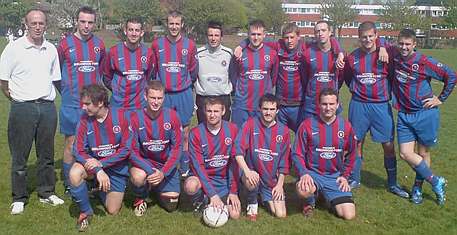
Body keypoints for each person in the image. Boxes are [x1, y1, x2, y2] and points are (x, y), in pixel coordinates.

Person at [0, 8, 64, 215]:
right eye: (33, 23)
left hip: (47, 107)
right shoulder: (13, 48)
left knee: (46, 154)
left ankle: (46, 193)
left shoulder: (51, 49)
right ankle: (19, 197)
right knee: (20, 156)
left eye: (41, 23)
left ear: (46, 25)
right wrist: (19, 100)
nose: (38, 26)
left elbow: (55, 79)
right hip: (23, 107)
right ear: (26, 25)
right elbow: (3, 81)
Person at [234, 22, 345, 132]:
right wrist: (240, 46)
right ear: (282, 39)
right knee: (279, 135)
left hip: (299, 103)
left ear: (299, 37)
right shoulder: (278, 45)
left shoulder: (305, 46)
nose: (290, 41)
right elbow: (256, 38)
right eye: (286, 37)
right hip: (281, 103)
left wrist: (340, 52)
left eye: (292, 37)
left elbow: (328, 40)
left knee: (303, 134)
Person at [343, 21, 408, 198]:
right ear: (359, 38)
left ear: (376, 35)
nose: (368, 39)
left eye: (371, 36)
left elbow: (395, 68)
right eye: (364, 37)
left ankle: (393, 183)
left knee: (388, 144)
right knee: (356, 143)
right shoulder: (353, 57)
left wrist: (383, 47)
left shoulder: (385, 54)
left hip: (380, 106)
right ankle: (355, 178)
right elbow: (348, 78)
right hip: (359, 105)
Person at [392, 29, 456, 205]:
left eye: (407, 44)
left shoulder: (424, 61)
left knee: (423, 152)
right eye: (401, 43)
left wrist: (440, 99)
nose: (403, 47)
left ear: (414, 45)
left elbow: (451, 75)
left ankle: (417, 188)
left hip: (425, 114)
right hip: (404, 114)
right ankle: (436, 181)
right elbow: (378, 44)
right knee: (405, 154)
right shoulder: (395, 57)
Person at [58, 6, 106, 195]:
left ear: (94, 23)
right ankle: (70, 183)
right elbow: (56, 73)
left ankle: (93, 181)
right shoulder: (64, 44)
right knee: (71, 143)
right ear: (76, 21)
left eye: (90, 22)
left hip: (93, 105)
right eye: (83, 21)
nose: (86, 26)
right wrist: (66, 92)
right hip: (72, 104)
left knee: (94, 143)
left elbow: (101, 71)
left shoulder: (99, 44)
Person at [70, 84, 131, 231]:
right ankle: (86, 211)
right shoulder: (84, 120)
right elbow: (78, 150)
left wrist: (102, 164)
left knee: (113, 211)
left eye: (87, 104)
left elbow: (126, 149)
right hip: (94, 167)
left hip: (116, 168)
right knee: (75, 173)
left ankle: (98, 190)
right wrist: (98, 170)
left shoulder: (121, 116)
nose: (83, 107)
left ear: (101, 102)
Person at [293, 88, 357, 220]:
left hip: (335, 177)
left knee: (349, 215)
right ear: (319, 105)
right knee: (303, 190)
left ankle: (324, 196)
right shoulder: (307, 125)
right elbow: (297, 154)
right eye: (324, 104)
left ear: (338, 105)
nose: (328, 108)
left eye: (331, 104)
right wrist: (304, 173)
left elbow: (352, 154)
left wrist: (345, 176)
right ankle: (309, 202)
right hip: (313, 174)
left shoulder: (346, 127)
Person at [151, 10, 197, 177]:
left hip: (183, 94)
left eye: (177, 24)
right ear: (166, 24)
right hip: (164, 95)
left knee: (184, 133)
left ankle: (184, 169)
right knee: (162, 132)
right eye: (171, 23)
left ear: (182, 25)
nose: (174, 27)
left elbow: (193, 72)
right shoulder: (157, 44)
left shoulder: (190, 45)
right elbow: (153, 69)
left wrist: (183, 84)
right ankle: (164, 167)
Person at [129, 80, 183, 215]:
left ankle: (154, 188)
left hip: (165, 166)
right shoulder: (136, 118)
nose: (156, 102)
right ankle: (140, 198)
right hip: (145, 164)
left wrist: (163, 172)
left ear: (164, 98)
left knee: (171, 205)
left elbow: (177, 149)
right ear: (145, 97)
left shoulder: (173, 116)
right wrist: (150, 171)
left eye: (159, 98)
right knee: (138, 177)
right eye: (153, 98)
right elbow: (132, 152)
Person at [235, 94, 290, 220]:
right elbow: (238, 151)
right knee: (251, 180)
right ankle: (252, 202)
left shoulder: (284, 131)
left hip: (270, 180)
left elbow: (284, 162)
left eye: (271, 109)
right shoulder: (250, 124)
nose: (268, 112)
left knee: (280, 214)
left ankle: (262, 196)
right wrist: (247, 171)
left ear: (277, 111)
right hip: (252, 174)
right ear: (260, 109)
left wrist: (280, 185)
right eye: (265, 109)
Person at [184, 97, 241, 221]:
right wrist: (212, 194)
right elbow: (198, 167)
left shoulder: (233, 130)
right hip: (204, 178)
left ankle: (217, 200)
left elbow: (235, 164)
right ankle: (200, 203)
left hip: (224, 180)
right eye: (209, 111)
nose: (212, 115)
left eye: (216, 111)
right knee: (190, 185)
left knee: (235, 215)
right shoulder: (196, 133)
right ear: (204, 112)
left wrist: (233, 191)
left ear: (223, 111)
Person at [231, 20, 279, 128]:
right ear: (248, 35)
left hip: (263, 106)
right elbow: (233, 75)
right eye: (253, 34)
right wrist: (239, 91)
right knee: (239, 138)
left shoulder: (272, 54)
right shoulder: (239, 53)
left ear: (264, 35)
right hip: (242, 105)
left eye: (259, 34)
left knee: (260, 141)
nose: (256, 38)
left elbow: (273, 77)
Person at [103, 17, 154, 111]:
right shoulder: (113, 52)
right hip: (118, 104)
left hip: (140, 105)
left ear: (142, 33)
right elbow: (106, 76)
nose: (134, 33)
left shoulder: (148, 53)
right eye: (130, 30)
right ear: (125, 31)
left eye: (137, 30)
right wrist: (116, 90)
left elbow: (149, 76)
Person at [301, 20, 345, 120]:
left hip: (332, 105)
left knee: (332, 134)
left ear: (330, 32)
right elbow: (304, 77)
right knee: (310, 134)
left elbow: (342, 77)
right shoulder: (307, 54)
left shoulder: (338, 55)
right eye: (317, 31)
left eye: (323, 30)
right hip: (311, 105)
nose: (320, 33)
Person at [194, 21, 236, 123]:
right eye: (210, 35)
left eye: (216, 35)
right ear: (206, 36)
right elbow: (192, 76)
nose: (213, 38)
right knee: (204, 133)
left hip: (223, 99)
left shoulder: (229, 53)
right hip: (204, 99)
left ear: (221, 37)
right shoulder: (198, 53)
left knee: (223, 132)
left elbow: (233, 76)